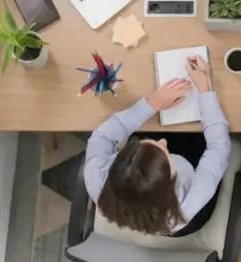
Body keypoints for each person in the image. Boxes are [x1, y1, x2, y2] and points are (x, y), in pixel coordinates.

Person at [83, 56, 230, 236]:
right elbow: (219, 148)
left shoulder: (96, 178)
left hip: (142, 211)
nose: (163, 141)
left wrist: (152, 104)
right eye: (166, 152)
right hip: (189, 201)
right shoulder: (186, 204)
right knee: (195, 137)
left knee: (164, 127)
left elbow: (102, 136)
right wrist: (205, 90)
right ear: (171, 182)